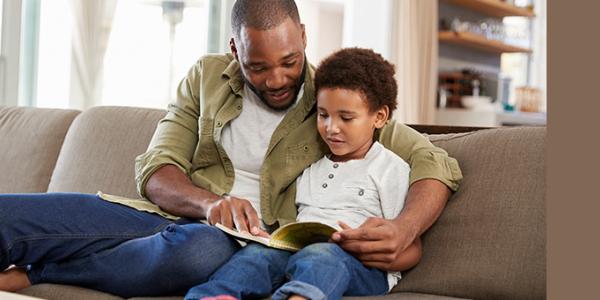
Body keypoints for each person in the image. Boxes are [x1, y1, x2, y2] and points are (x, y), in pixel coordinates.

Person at [0, 0, 462, 297]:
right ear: (234, 50)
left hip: (235, 244)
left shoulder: (334, 99)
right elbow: (158, 168)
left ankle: (40, 274)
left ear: (304, 37)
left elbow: (434, 161)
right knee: (10, 215)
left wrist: (405, 227)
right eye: (258, 66)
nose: (277, 79)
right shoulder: (206, 77)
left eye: (289, 62)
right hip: (168, 216)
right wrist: (211, 204)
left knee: (200, 253)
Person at [185, 47, 422, 300]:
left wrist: (376, 251)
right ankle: (213, 296)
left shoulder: (390, 168)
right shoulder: (311, 167)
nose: (332, 128)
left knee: (322, 256)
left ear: (379, 117)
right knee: (256, 255)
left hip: (361, 267)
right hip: (299, 253)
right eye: (323, 115)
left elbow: (413, 247)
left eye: (346, 118)